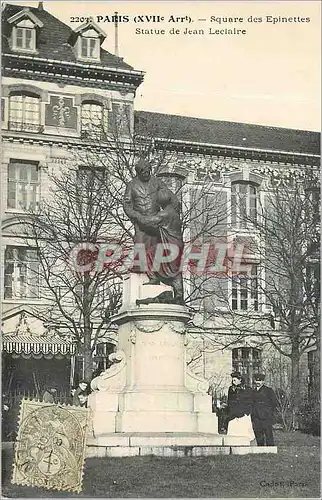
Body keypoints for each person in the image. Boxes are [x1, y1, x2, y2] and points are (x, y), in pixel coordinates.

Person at [123, 159, 184, 302]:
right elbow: (127, 205)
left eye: (148, 171)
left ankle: (155, 276)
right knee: (140, 244)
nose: (146, 174)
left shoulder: (156, 182)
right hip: (141, 221)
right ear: (138, 172)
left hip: (157, 221)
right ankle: (146, 273)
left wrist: (173, 206)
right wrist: (136, 216)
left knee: (155, 249)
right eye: (143, 171)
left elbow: (169, 195)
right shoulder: (131, 185)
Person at [251, 373, 278, 446]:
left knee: (268, 434)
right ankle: (260, 449)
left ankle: (270, 450)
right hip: (256, 417)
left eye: (260, 381)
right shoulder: (253, 392)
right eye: (256, 380)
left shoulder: (269, 391)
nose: (258, 383)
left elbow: (274, 403)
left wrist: (269, 412)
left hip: (266, 417)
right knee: (258, 434)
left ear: (263, 382)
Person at [227, 372, 255, 441]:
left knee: (244, 432)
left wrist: (246, 412)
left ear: (240, 380)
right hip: (234, 415)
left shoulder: (247, 389)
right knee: (234, 433)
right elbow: (230, 401)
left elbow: (251, 401)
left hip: (244, 414)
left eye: (235, 380)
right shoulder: (231, 389)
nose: (233, 382)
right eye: (232, 380)